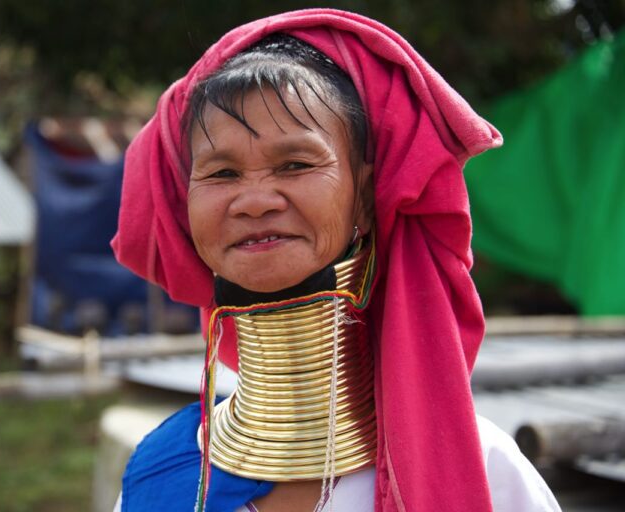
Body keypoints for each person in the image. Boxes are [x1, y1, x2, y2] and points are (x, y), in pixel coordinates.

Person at [111, 9, 562, 512]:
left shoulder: (486, 471)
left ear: (366, 197)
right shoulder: (161, 476)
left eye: (296, 164)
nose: (255, 200)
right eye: (221, 174)